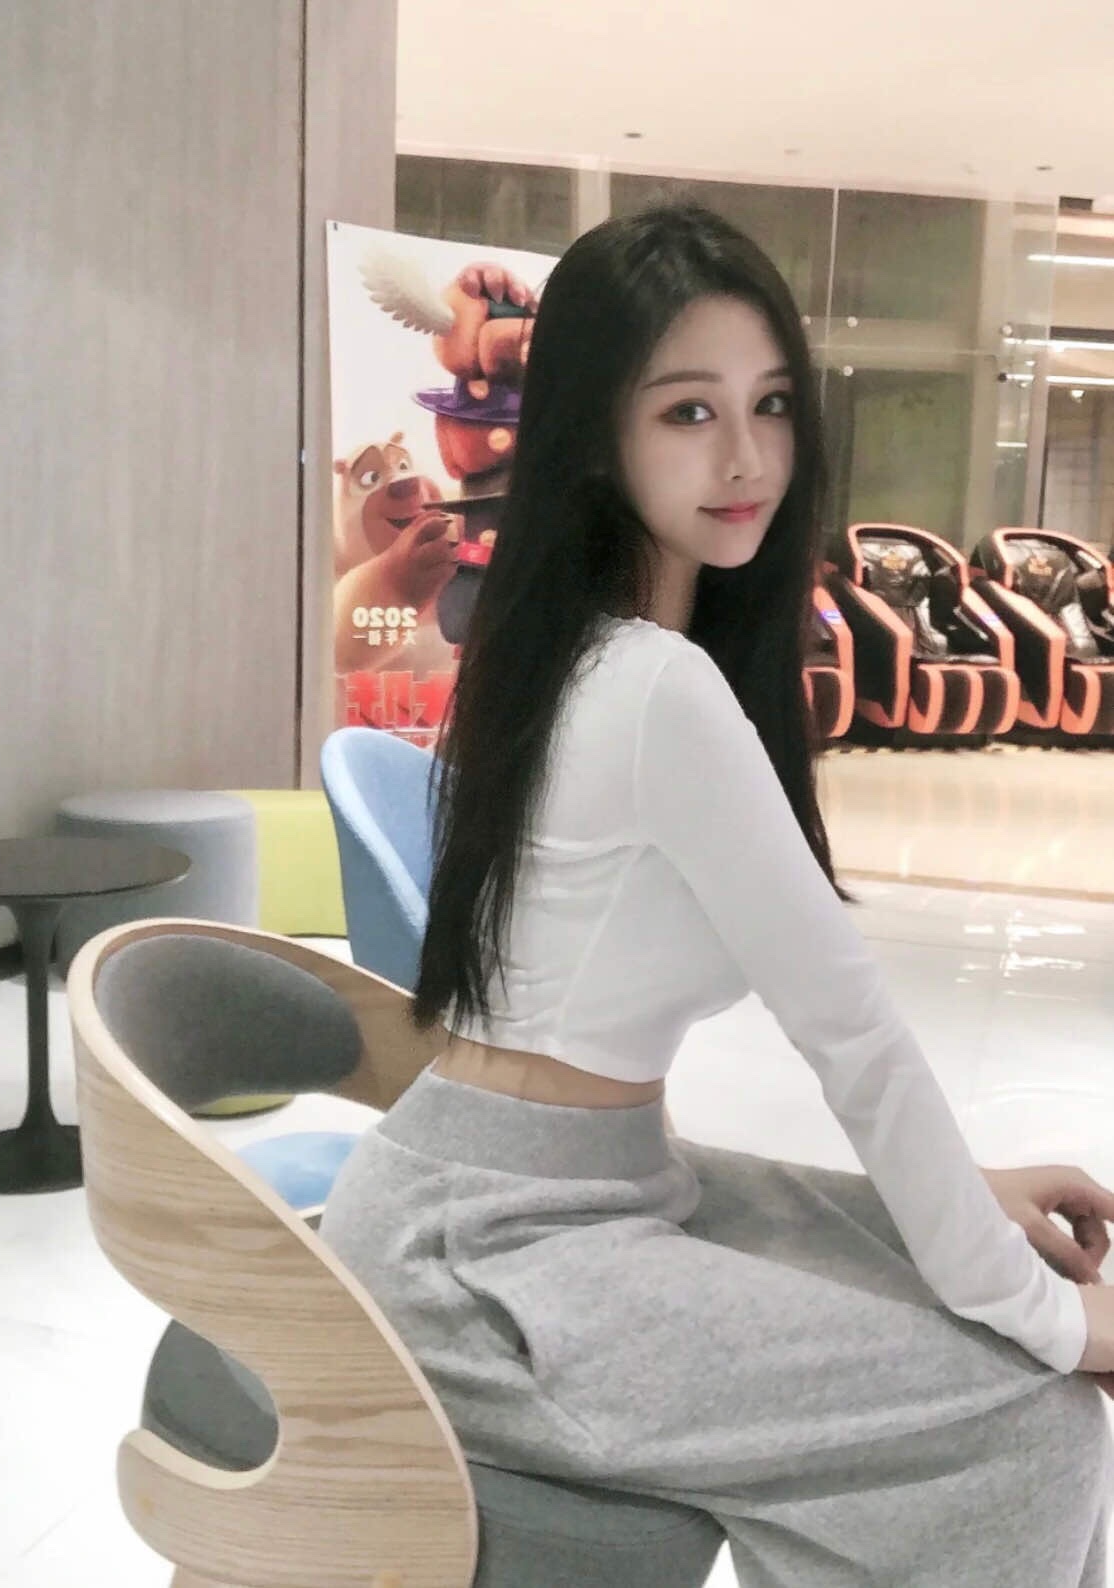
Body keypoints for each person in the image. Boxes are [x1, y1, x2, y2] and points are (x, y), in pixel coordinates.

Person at [318, 204, 1114, 1585]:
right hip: (489, 1269)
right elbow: (847, 1030)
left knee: (999, 1334)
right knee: (1029, 1422)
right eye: (688, 411)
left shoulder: (577, 649)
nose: (745, 458)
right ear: (594, 432)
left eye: (771, 404)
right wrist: (1053, 1326)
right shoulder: (649, 685)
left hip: (577, 1188)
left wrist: (965, 1203)